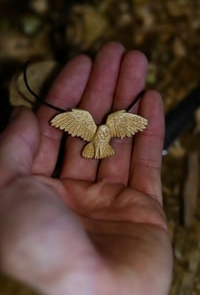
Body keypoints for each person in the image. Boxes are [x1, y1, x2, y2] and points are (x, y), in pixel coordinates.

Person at [0, 42, 173, 295]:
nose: (104, 129)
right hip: (91, 148)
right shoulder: (84, 123)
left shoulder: (113, 125)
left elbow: (131, 124)